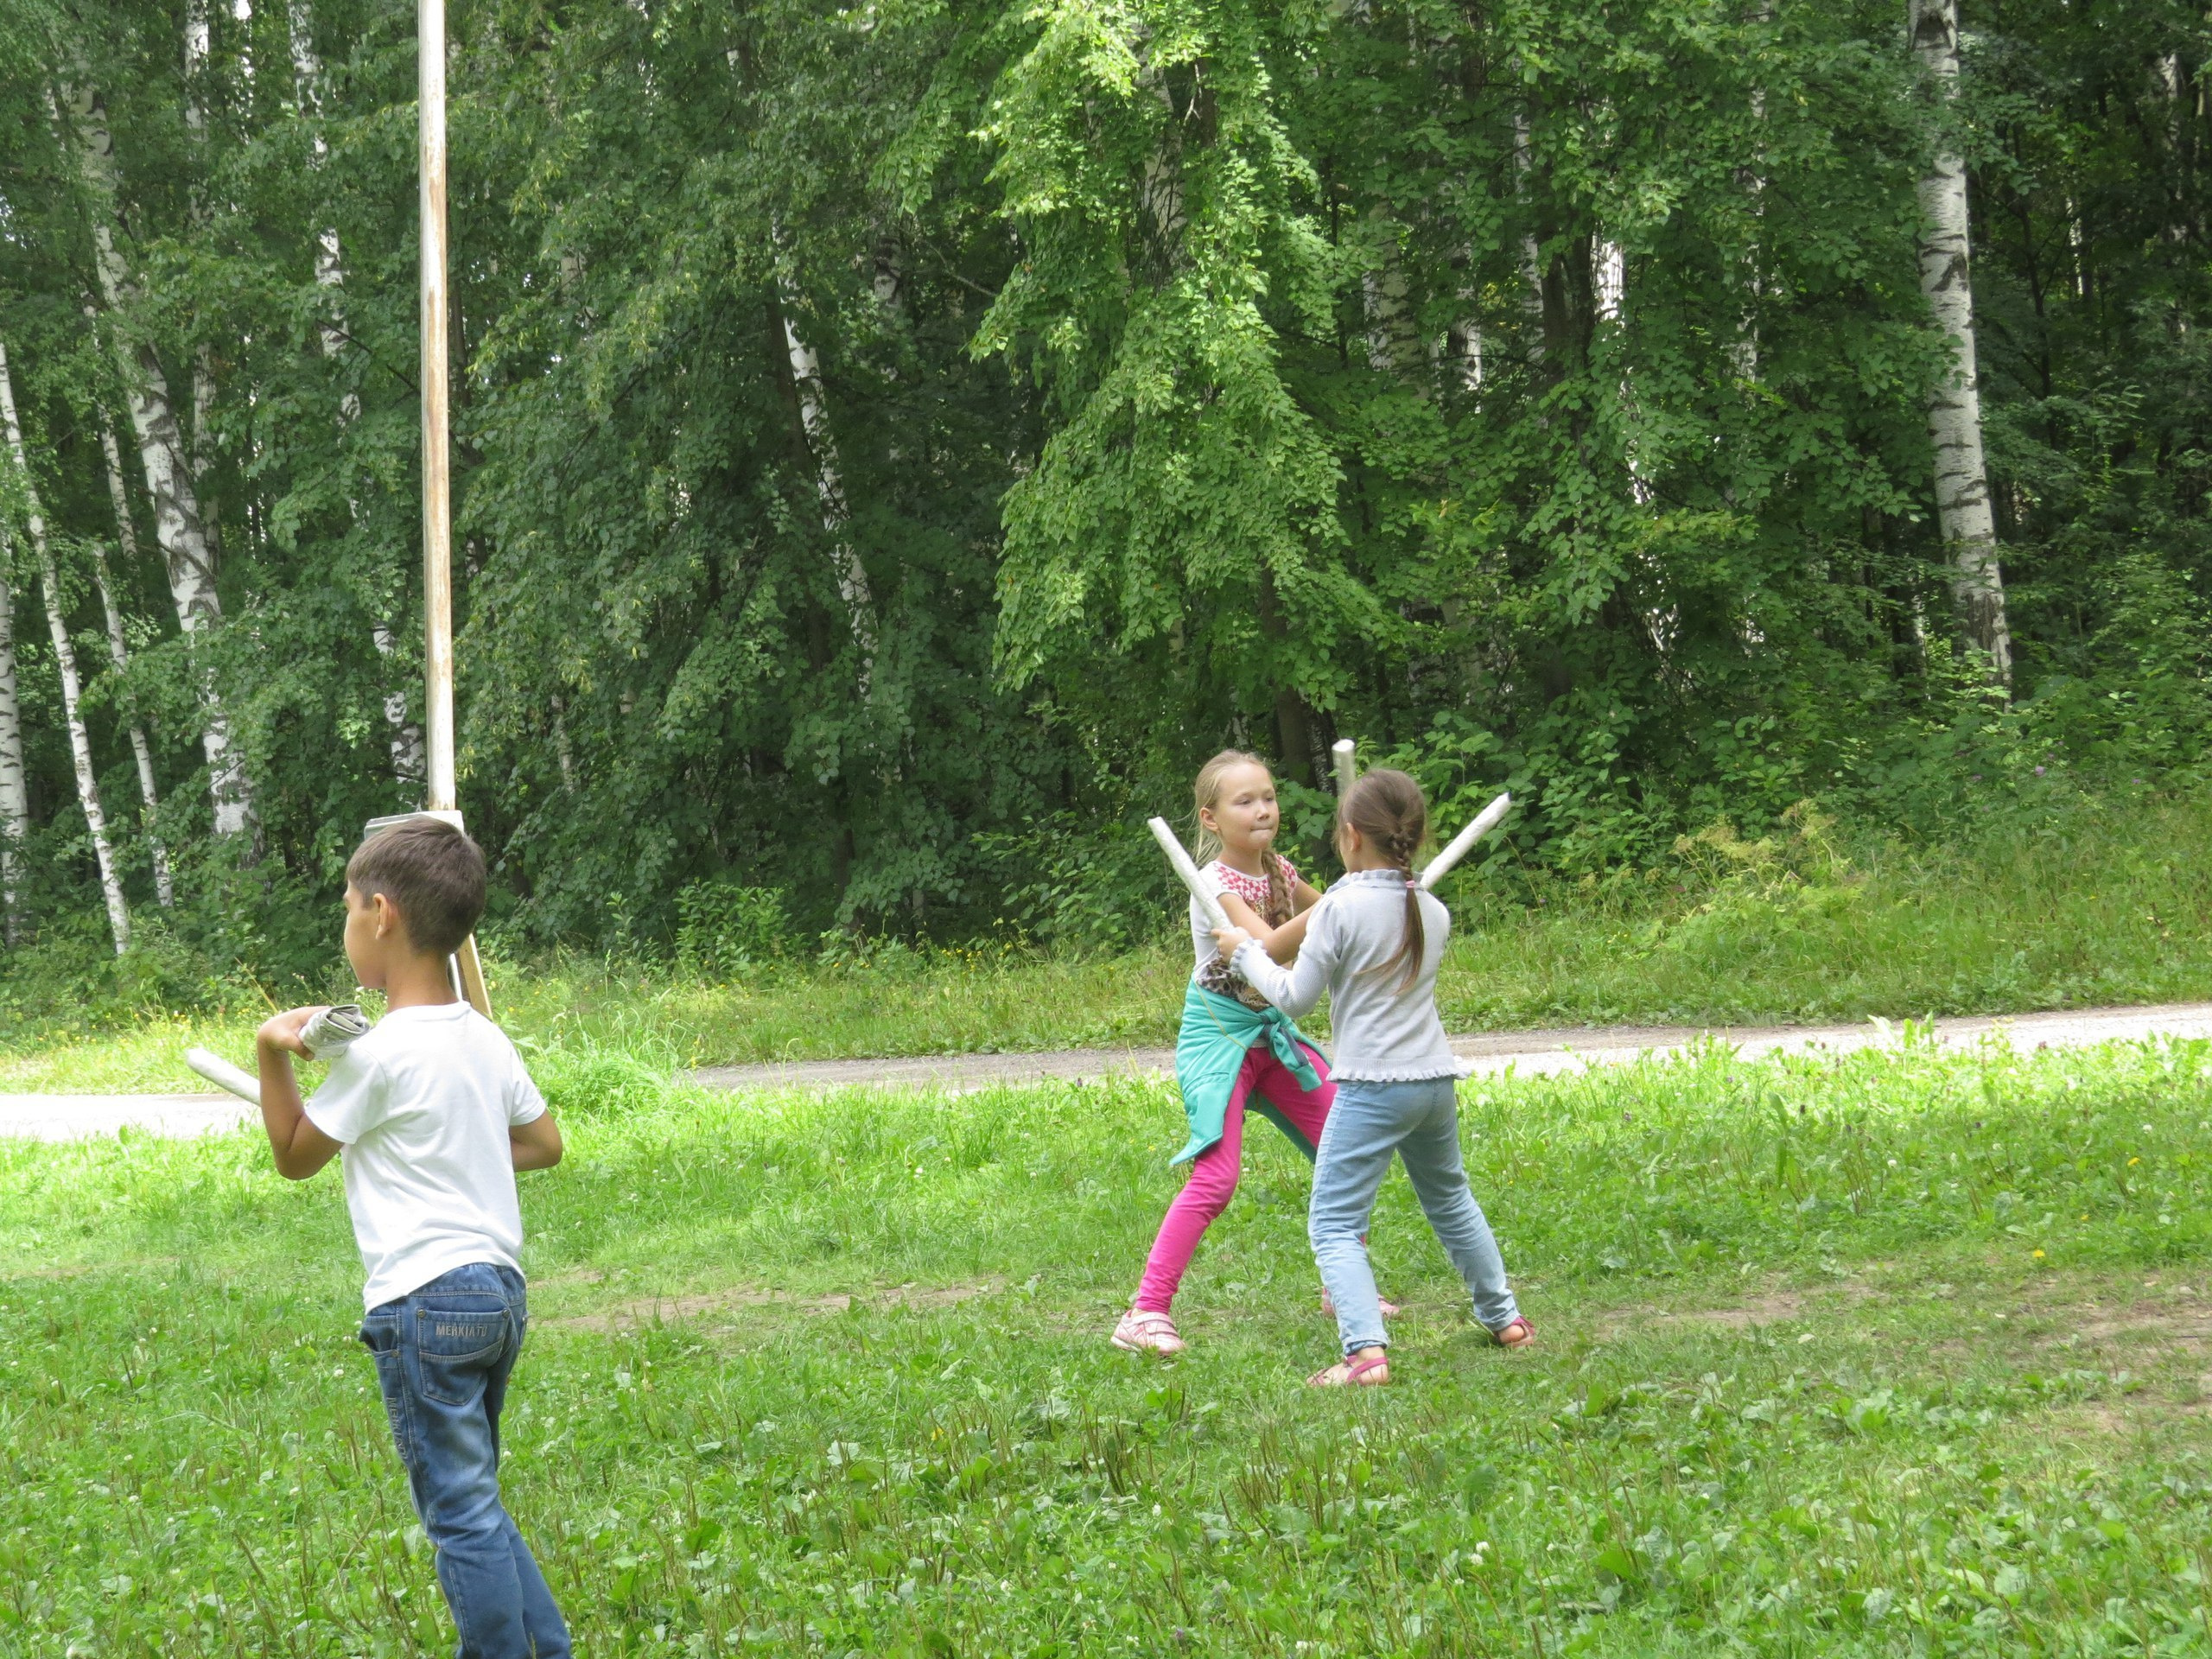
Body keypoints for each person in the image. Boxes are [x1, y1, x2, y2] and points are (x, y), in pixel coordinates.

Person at [254, 817, 571, 1656]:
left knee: (459, 1514)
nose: (347, 924)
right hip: (498, 1298)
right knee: (478, 1500)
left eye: (348, 909)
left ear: (382, 914)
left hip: (423, 1308)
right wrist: (450, 1141)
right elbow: (544, 1144)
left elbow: (293, 1156)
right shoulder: (484, 1038)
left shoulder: (378, 1055)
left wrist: (271, 1052)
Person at [1214, 767, 1533, 1386]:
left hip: (1372, 1087)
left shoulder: (1339, 909)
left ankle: (1364, 1353)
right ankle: (1505, 1318)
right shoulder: (1431, 909)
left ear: (1351, 836)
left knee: (1332, 1221)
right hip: (1433, 1082)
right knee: (1451, 1199)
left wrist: (1245, 952)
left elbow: (1292, 997)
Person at [1113, 749, 1396, 1354]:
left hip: (1272, 1034)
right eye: (1245, 800)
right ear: (1211, 819)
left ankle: (1343, 1288)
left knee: (1347, 1147)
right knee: (1217, 1179)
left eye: (1268, 796)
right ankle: (1144, 1313)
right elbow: (1265, 949)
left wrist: (1372, 894)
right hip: (1218, 1038)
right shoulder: (1214, 884)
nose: (1263, 808)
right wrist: (1344, 903)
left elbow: (1332, 916)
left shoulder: (1279, 869)